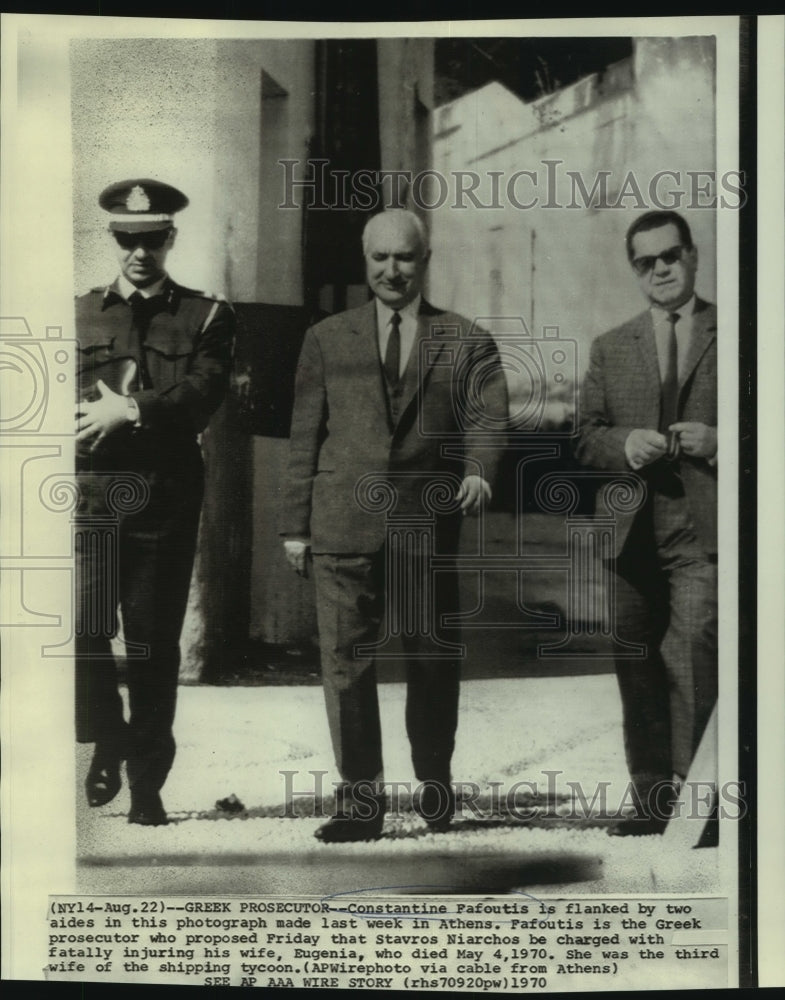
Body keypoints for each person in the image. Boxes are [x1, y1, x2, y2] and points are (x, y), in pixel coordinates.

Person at [281, 209, 508, 842]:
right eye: (380, 257)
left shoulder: (465, 340)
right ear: (365, 261)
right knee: (345, 666)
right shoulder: (326, 338)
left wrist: (479, 471)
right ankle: (360, 803)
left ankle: (434, 779)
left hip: (424, 527)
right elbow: (305, 437)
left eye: (404, 257)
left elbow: (488, 418)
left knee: (431, 661)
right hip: (341, 526)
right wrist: (294, 526)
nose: (392, 270)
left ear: (424, 260)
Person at [74, 179, 235, 825]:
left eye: (152, 240)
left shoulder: (207, 316)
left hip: (164, 499)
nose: (139, 253)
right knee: (81, 629)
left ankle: (147, 784)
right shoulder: (78, 312)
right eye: (126, 239)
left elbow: (203, 392)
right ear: (113, 238)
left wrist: (131, 409)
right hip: (93, 496)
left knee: (150, 642)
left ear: (170, 238)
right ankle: (107, 734)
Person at [576, 209, 717, 836]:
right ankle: (652, 798)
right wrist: (625, 444)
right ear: (634, 271)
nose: (659, 270)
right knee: (635, 661)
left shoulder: (739, 333)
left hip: (700, 528)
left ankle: (699, 804)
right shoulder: (611, 346)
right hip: (628, 533)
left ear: (692, 255)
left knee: (692, 655)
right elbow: (584, 437)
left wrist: (719, 439)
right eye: (645, 262)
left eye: (669, 256)